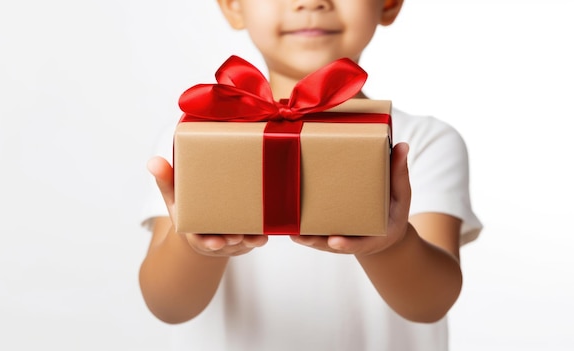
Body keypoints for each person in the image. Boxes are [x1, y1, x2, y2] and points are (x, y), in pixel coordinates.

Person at [139, 0, 482, 350]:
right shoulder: (195, 136)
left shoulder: (421, 142)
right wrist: (194, 246)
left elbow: (431, 303)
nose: (310, 2)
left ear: (389, 4)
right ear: (233, 6)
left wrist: (392, 246)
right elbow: (169, 305)